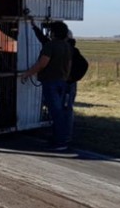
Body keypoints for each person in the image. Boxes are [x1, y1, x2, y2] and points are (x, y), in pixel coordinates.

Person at [21, 20, 72, 150]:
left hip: (51, 83)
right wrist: (34, 26)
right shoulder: (66, 46)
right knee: (60, 111)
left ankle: (60, 142)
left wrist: (28, 73)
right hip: (62, 82)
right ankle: (59, 138)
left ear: (53, 32)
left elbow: (42, 63)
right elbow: (69, 64)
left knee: (56, 113)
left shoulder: (50, 46)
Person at [31, 22, 88, 130]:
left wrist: (71, 78)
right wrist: (35, 28)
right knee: (61, 109)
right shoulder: (62, 47)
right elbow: (44, 40)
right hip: (64, 82)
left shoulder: (69, 49)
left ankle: (62, 136)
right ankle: (62, 133)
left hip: (65, 84)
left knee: (62, 110)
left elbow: (83, 65)